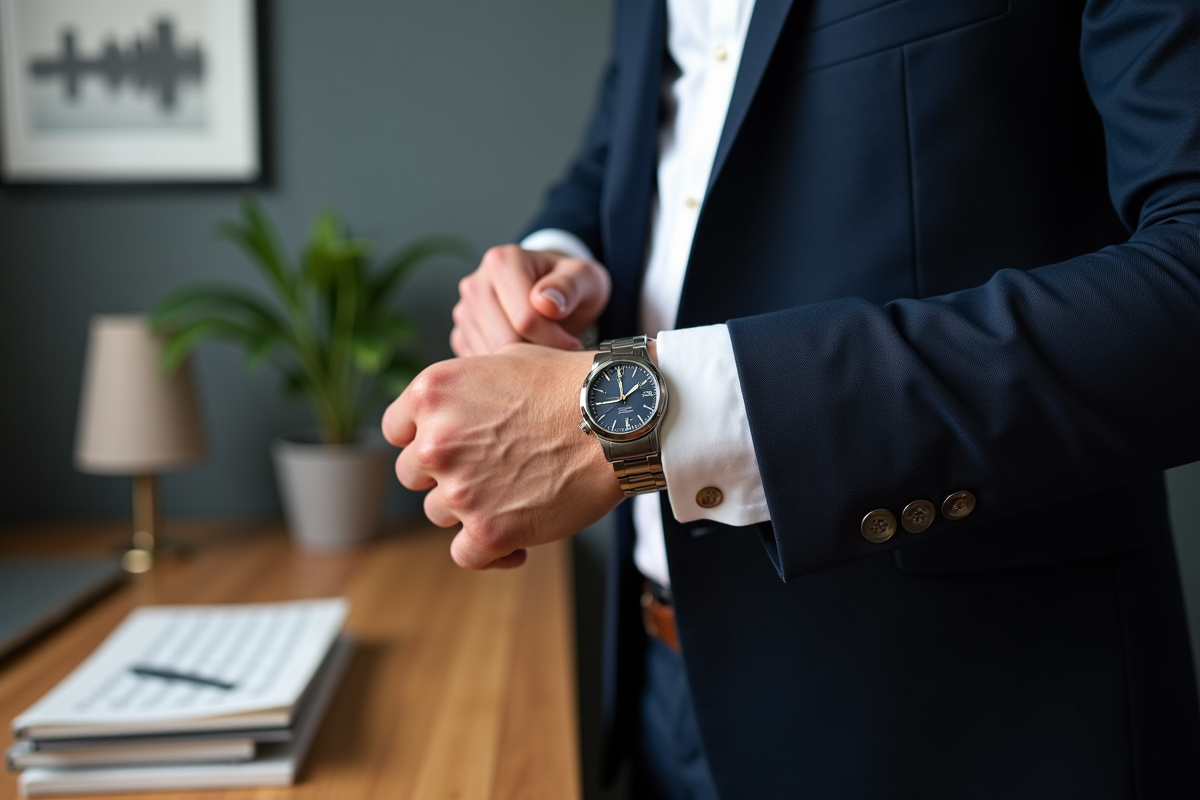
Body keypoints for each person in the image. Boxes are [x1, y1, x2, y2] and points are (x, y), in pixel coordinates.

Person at [382, 0, 1200, 797]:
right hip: (660, 687)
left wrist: (639, 421)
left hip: (967, 714)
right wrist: (554, 260)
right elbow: (645, 139)